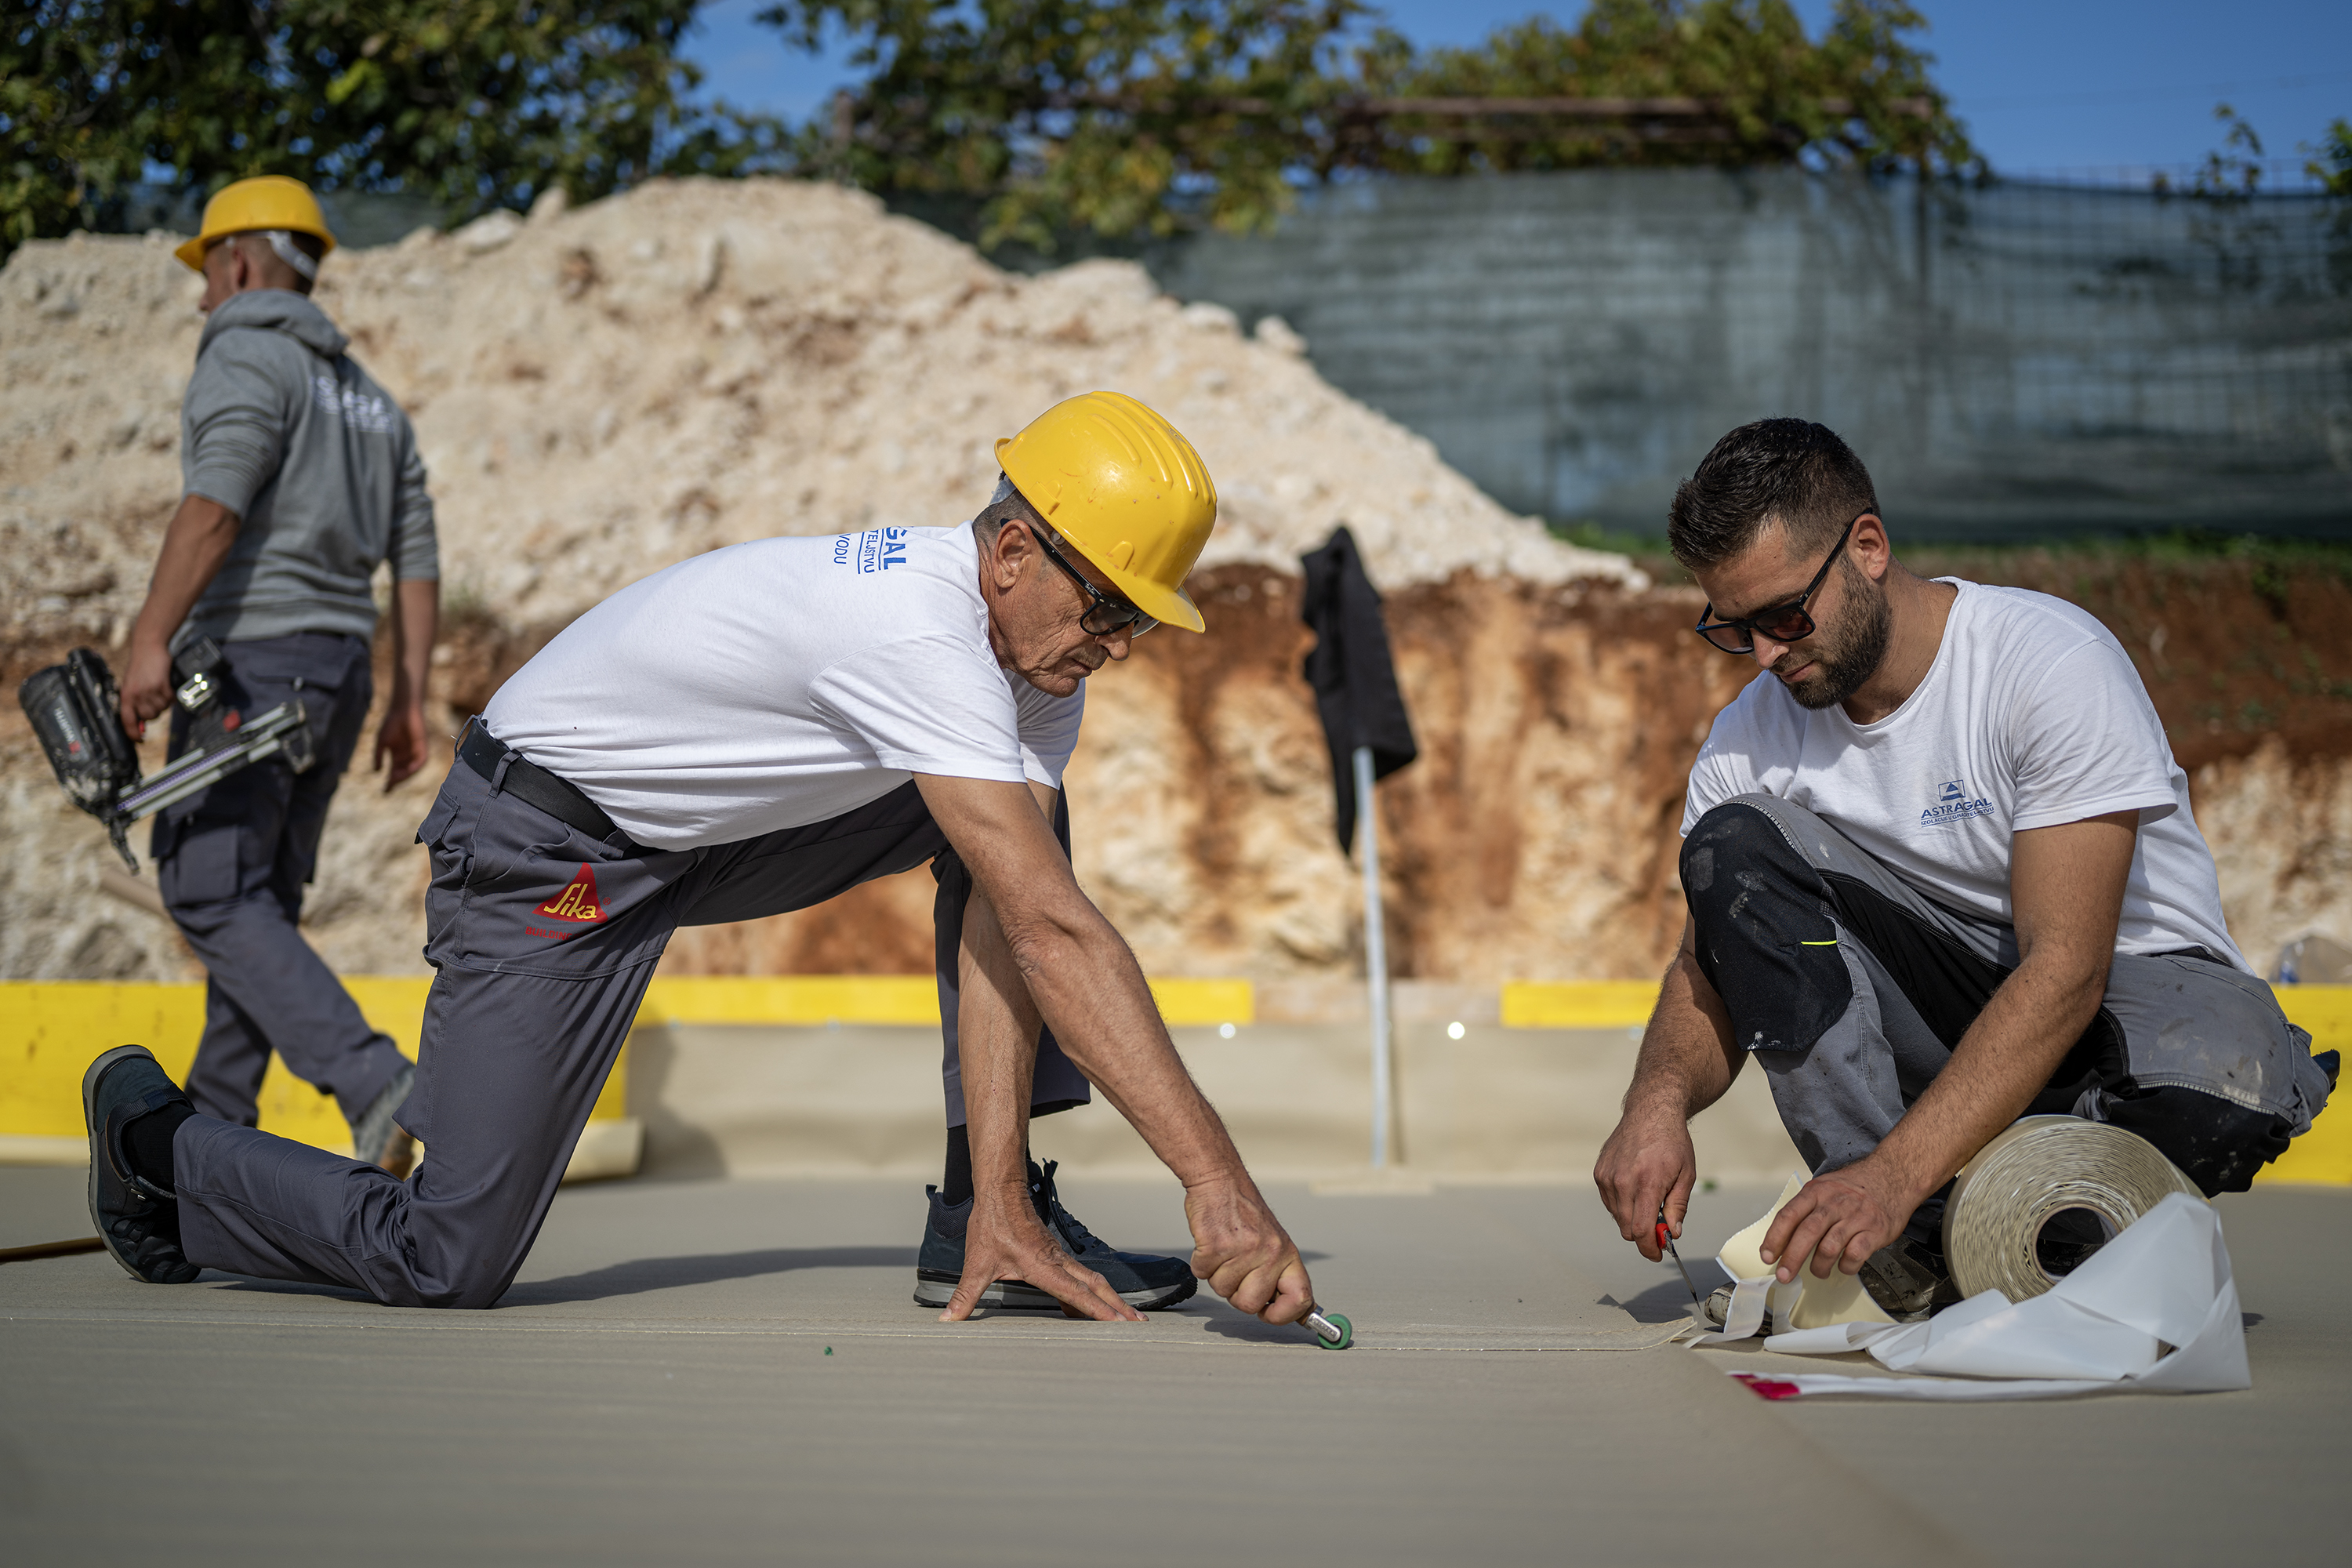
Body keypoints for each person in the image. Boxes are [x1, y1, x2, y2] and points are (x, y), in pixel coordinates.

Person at [82, 390, 1318, 1330]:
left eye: (1138, 621)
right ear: (1010, 555)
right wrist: (1217, 1183)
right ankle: (157, 1146)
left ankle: (985, 1209)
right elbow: (1055, 935)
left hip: (696, 843)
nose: (1118, 645)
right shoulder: (917, 635)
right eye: (1109, 609)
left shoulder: (1036, 664)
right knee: (444, 1257)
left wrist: (1002, 1183)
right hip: (545, 846)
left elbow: (1018, 907)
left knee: (1017, 843)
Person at [1593, 418, 2336, 1315]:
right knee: (1732, 848)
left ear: (1868, 548)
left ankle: (1940, 1195)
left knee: (2229, 1081)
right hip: (1948, 1023)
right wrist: (1656, 1102)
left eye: (1785, 615)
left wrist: (1897, 1169)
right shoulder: (1750, 738)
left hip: (2125, 1010)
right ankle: (1900, 1241)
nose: (1766, 653)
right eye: (1736, 627)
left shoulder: (2046, 664)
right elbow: (1703, 964)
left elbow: (2068, 966)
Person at [116, 176, 439, 1178]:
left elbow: (214, 507)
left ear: (241, 261)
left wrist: (149, 637)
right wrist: (408, 698)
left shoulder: (245, 353)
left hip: (252, 667)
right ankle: (205, 1160)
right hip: (338, 675)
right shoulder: (373, 402)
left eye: (207, 275)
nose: (202, 297)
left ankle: (375, 1079)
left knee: (208, 890)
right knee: (254, 904)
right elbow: (417, 556)